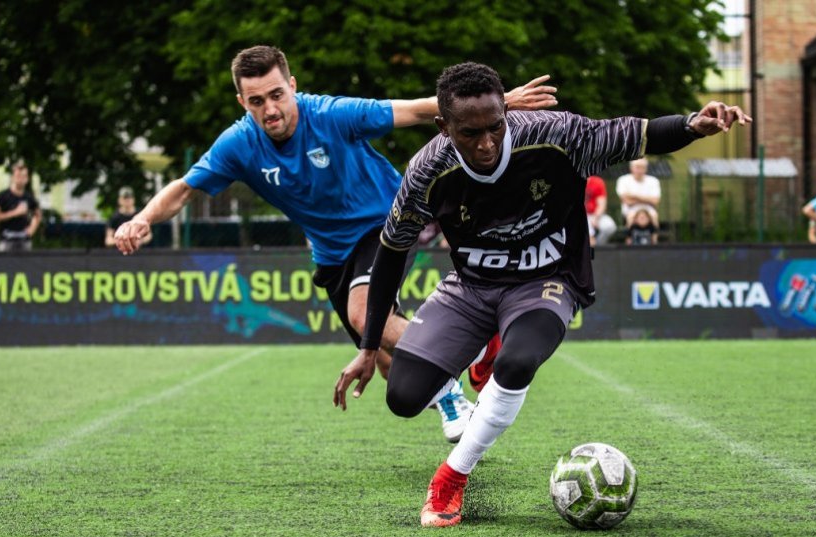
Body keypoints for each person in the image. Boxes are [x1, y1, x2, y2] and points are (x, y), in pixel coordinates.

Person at [333, 62, 750, 527]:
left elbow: (637, 134)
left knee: (517, 362)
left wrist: (693, 124)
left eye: (496, 127)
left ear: (506, 113)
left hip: (546, 281)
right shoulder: (427, 170)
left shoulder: (554, 134)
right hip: (472, 287)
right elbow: (391, 254)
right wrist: (369, 347)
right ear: (443, 126)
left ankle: (451, 477)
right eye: (470, 133)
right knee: (404, 397)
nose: (487, 143)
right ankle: (486, 342)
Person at [113, 46, 555, 443]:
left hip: (387, 221)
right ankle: (463, 367)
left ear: (292, 86)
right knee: (387, 363)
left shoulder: (330, 115)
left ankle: (465, 362)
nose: (270, 109)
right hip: (331, 255)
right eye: (256, 101)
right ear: (242, 103)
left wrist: (502, 103)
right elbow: (185, 187)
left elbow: (413, 111)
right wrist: (143, 217)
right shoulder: (239, 145)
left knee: (365, 315)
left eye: (276, 95)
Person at [0, 160, 42, 253]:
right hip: (6, 241)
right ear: (13, 177)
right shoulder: (3, 196)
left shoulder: (29, 197)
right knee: (4, 267)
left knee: (27, 267)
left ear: (27, 179)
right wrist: (15, 213)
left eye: (24, 176)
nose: (21, 179)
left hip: (24, 240)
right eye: (18, 176)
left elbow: (38, 215)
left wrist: (32, 229)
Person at [615, 157, 661, 229]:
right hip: (630, 209)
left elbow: (655, 201)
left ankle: (654, 239)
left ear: (646, 168)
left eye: (642, 167)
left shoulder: (654, 181)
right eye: (637, 167)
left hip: (648, 209)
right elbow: (627, 201)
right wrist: (647, 199)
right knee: (631, 216)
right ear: (631, 168)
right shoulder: (623, 180)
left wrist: (633, 195)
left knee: (654, 215)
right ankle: (629, 238)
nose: (640, 170)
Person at [584, 175, 615, 246]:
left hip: (594, 214)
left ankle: (598, 247)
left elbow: (601, 204)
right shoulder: (571, 182)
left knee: (609, 227)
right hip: (578, 216)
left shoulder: (597, 182)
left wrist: (596, 217)